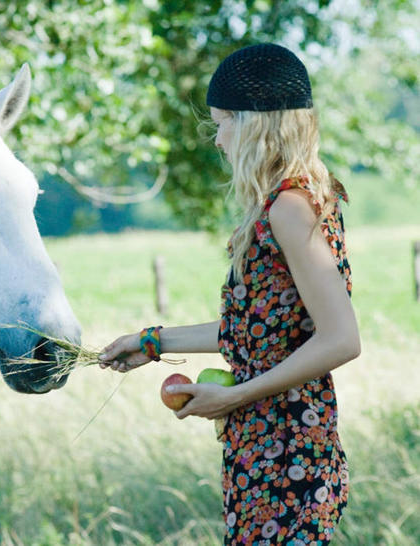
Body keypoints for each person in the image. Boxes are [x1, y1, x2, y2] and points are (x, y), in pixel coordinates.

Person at [98, 43, 360, 545]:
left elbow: (342, 338)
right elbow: (258, 333)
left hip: (288, 457)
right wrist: (150, 342)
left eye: (222, 122)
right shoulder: (294, 200)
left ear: (256, 123)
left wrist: (234, 396)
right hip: (266, 451)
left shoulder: (289, 206)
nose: (218, 139)